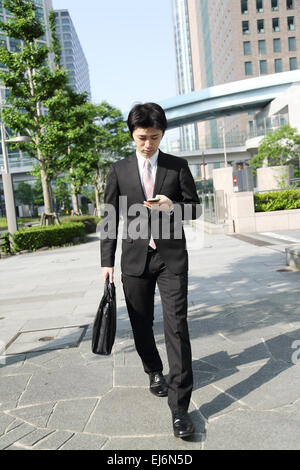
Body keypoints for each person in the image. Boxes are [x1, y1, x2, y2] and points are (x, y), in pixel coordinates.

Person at [101, 102, 201, 438]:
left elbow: (196, 209)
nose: (148, 144)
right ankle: (153, 370)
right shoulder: (119, 170)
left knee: (177, 328)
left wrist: (173, 206)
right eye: (142, 137)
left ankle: (180, 409)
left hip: (171, 259)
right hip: (134, 259)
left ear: (162, 134)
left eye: (154, 137)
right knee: (141, 323)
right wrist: (106, 263)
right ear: (132, 134)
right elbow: (110, 219)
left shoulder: (176, 167)